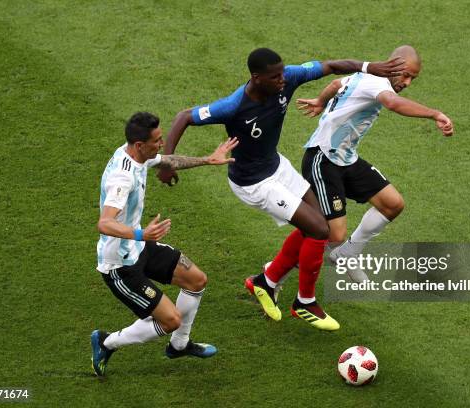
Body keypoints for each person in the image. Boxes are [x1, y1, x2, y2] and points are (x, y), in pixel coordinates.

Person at [157, 48, 404, 331]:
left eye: (283, 73)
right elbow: (184, 116)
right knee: (320, 231)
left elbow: (333, 65)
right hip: (253, 183)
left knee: (319, 224)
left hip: (277, 167)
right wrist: (167, 163)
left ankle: (265, 281)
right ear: (256, 78)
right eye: (275, 77)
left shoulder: (289, 77)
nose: (282, 80)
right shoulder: (234, 105)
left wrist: (370, 66)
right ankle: (305, 302)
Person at [91, 112, 238, 377]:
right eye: (157, 141)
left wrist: (208, 159)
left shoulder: (136, 154)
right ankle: (106, 342)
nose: (161, 144)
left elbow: (168, 160)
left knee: (196, 279)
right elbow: (104, 223)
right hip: (120, 264)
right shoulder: (121, 179)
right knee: (170, 320)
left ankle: (179, 346)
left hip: (140, 245)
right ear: (139, 145)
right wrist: (141, 235)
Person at [296, 45, 454, 282]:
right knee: (332, 234)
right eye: (406, 75)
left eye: (413, 78)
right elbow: (392, 103)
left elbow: (336, 84)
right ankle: (274, 272)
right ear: (395, 65)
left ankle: (348, 254)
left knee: (392, 204)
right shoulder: (377, 84)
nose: (408, 83)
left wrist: (320, 101)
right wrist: (434, 114)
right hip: (323, 158)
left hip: (346, 159)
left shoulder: (368, 75)